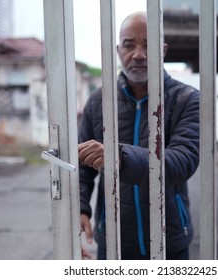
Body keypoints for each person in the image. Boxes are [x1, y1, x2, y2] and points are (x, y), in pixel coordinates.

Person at [78, 11, 200, 260]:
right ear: (117, 50)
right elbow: (82, 165)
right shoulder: (99, 101)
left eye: (149, 45)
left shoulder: (186, 99)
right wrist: (79, 209)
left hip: (169, 239)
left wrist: (118, 157)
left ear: (163, 50)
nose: (139, 54)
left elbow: (183, 160)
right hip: (113, 238)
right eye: (129, 44)